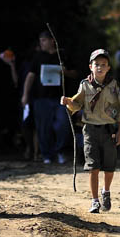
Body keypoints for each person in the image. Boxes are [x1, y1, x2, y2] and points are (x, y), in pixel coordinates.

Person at [61, 49, 120, 213]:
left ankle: (106, 191)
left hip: (108, 130)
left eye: (103, 65)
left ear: (108, 68)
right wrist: (67, 101)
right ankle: (95, 200)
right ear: (90, 66)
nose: (100, 67)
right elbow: (77, 104)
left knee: (109, 167)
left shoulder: (113, 85)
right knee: (93, 166)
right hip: (90, 129)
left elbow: (119, 109)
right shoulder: (85, 84)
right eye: (97, 64)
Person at [22, 31, 73, 165]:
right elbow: (30, 76)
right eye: (40, 41)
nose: (41, 43)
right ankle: (47, 155)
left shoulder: (62, 55)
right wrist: (25, 95)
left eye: (44, 40)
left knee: (63, 124)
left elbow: (75, 73)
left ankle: (60, 151)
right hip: (41, 98)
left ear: (52, 41)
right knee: (43, 127)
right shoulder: (38, 57)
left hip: (60, 98)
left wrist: (65, 72)